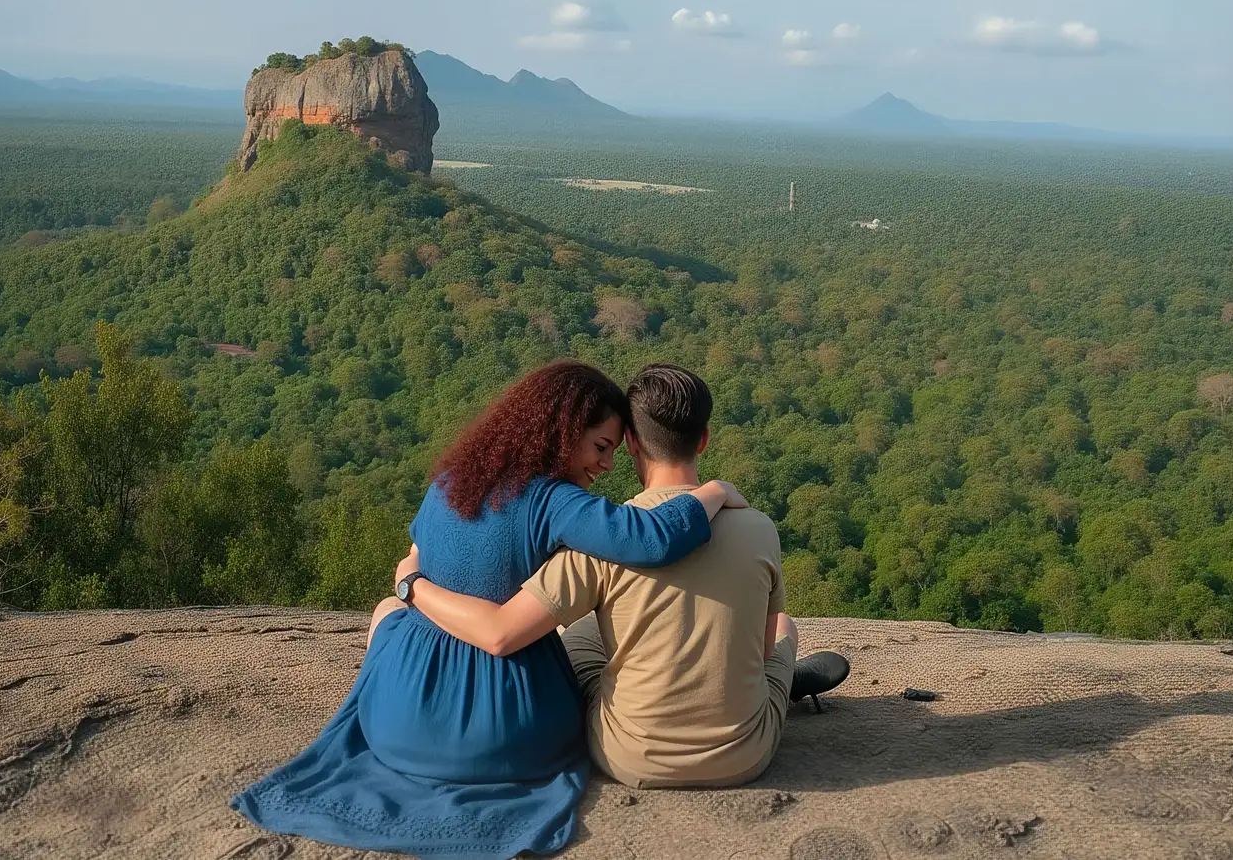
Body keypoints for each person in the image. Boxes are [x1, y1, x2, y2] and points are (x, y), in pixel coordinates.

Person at [230, 360, 750, 860]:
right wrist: (713, 491)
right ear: (563, 431)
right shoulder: (554, 501)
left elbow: (417, 552)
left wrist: (412, 585)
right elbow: (651, 537)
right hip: (514, 736)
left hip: (393, 726)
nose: (607, 465)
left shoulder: (450, 482)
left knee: (391, 606)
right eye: (600, 446)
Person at [401, 364, 850, 789]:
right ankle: (780, 687)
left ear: (632, 441)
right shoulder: (759, 528)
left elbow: (505, 629)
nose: (607, 461)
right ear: (705, 439)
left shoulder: (599, 536)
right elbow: (766, 642)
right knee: (783, 629)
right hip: (745, 755)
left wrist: (412, 582)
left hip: (626, 757)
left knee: (578, 630)